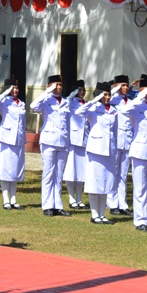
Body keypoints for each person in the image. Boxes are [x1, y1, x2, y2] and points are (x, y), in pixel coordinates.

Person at [124, 78, 147, 232]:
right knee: (140, 187)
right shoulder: (135, 107)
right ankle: (139, 220)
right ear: (140, 91)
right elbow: (124, 111)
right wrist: (139, 97)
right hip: (140, 151)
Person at [31, 73, 72, 217]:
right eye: (55, 85)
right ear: (49, 86)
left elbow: (68, 122)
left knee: (59, 174)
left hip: (63, 141)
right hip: (48, 140)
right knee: (48, 173)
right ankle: (47, 205)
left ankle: (57, 205)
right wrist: (47, 91)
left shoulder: (66, 101)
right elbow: (33, 106)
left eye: (60, 85)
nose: (58, 87)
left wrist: (69, 141)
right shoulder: (45, 100)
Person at [77, 82, 117, 224]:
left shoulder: (113, 110)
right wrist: (94, 100)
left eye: (108, 95)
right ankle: (94, 215)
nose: (107, 97)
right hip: (95, 149)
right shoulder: (93, 108)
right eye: (104, 94)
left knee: (106, 182)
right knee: (95, 182)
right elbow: (79, 112)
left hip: (109, 150)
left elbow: (115, 131)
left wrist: (115, 148)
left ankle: (102, 214)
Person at [0, 78, 27, 209]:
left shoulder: (21, 103)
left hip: (18, 139)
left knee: (16, 169)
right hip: (7, 138)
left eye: (17, 88)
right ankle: (6, 199)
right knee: (6, 169)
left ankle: (14, 199)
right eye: (13, 88)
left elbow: (22, 122)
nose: (15, 90)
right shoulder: (4, 102)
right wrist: (4, 93)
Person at [108, 75, 133, 215]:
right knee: (113, 172)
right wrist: (113, 90)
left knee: (123, 174)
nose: (125, 87)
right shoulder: (112, 100)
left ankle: (122, 204)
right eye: (122, 85)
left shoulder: (130, 101)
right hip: (115, 140)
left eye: (126, 85)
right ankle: (112, 203)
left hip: (127, 140)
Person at [63, 80, 89, 209]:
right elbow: (65, 103)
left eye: (83, 90)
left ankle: (79, 199)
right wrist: (71, 95)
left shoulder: (88, 103)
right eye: (79, 90)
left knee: (81, 172)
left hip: (84, 140)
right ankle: (71, 198)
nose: (82, 92)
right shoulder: (70, 102)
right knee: (70, 170)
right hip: (73, 139)